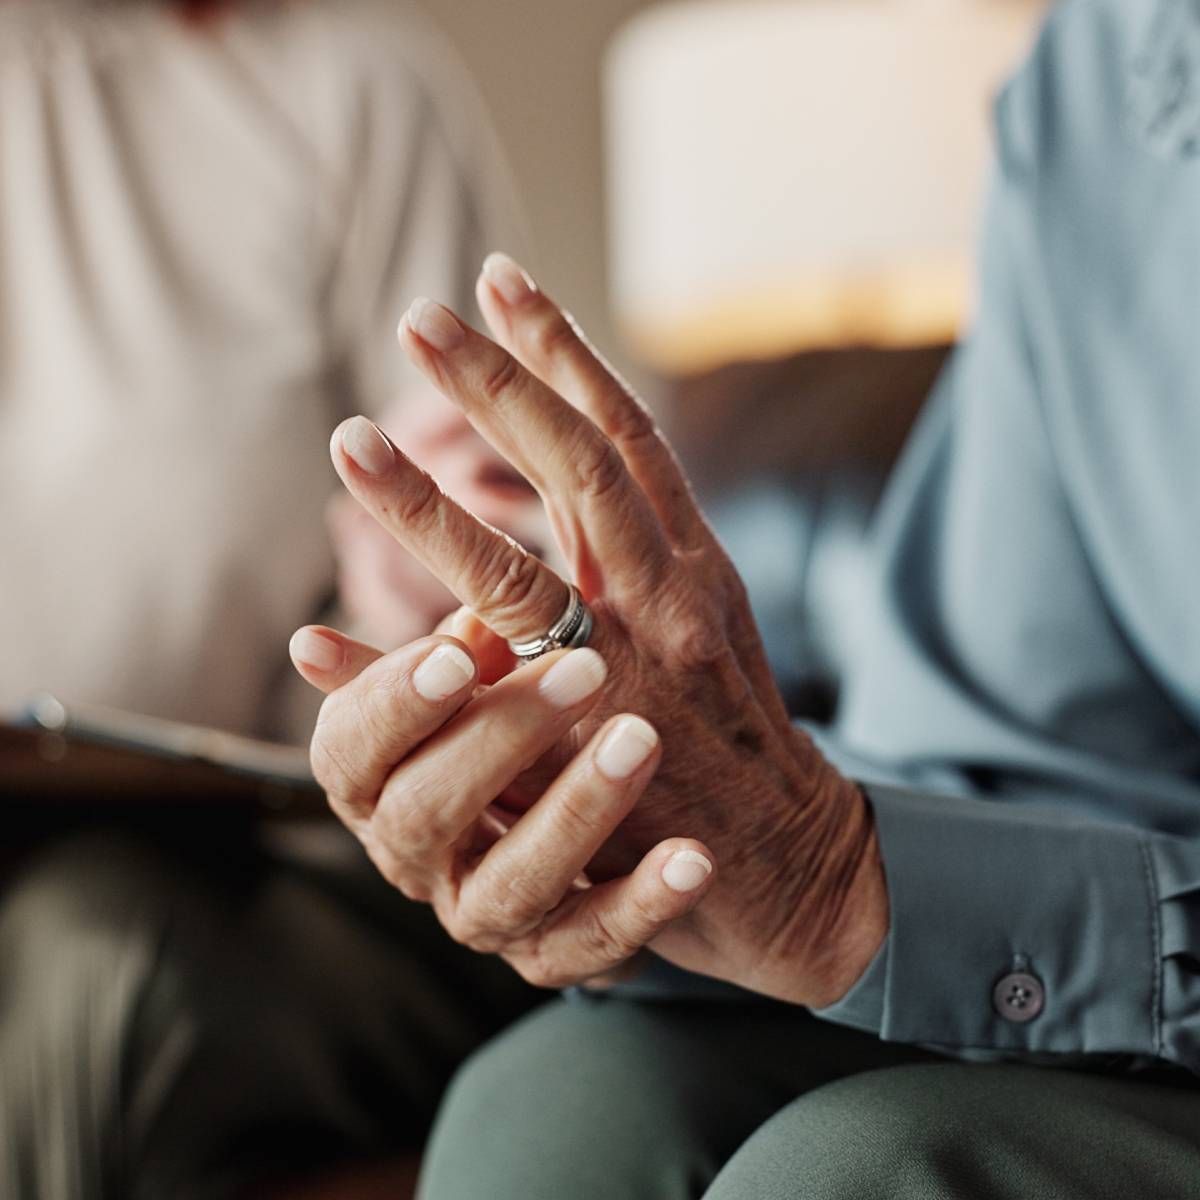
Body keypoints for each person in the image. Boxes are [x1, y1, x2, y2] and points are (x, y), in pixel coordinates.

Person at [289, 2, 1200, 1196]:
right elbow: (1017, 747)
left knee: (856, 1176)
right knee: (559, 1111)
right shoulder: (1107, 68)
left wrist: (845, 888)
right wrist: (661, 808)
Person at [0, 2, 552, 1197]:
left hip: (264, 868)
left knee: (95, 952)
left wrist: (430, 599)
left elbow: (500, 547)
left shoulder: (341, 93)